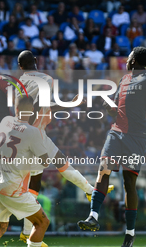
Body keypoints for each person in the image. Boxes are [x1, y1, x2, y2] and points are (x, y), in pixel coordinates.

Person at [14, 51, 114, 244]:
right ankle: (27, 233)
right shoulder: (45, 80)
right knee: (34, 183)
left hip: (26, 133)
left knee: (56, 165)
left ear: (20, 66)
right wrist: (71, 103)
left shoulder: (19, 83)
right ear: (36, 61)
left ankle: (88, 189)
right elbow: (45, 106)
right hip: (34, 135)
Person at [77, 46, 146, 247]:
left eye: (129, 57)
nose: (126, 59)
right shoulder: (123, 80)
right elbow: (116, 112)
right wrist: (109, 107)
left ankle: (130, 234)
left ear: (133, 60)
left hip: (137, 138)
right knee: (103, 169)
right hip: (116, 133)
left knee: (128, 183)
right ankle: (93, 217)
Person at [0, 96, 50, 247]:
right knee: (42, 222)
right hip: (12, 187)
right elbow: (45, 162)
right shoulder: (33, 132)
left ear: (15, 108)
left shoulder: (5, 121)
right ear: (32, 111)